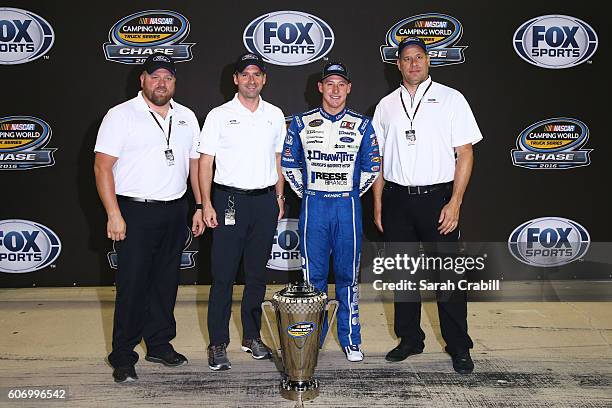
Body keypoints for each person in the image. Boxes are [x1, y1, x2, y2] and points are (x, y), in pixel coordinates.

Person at [372, 37, 482, 374]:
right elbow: (376, 158)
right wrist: (378, 202)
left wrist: (455, 202)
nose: (413, 64)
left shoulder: (452, 99)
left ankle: (459, 346)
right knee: (403, 275)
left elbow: (465, 152)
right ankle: (409, 339)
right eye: (407, 59)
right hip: (396, 199)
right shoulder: (385, 105)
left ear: (428, 60)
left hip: (438, 199)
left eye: (419, 57)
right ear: (398, 64)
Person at [94, 53, 204, 383]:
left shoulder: (186, 116)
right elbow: (102, 167)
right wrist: (114, 213)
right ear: (142, 79)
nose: (161, 83)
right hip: (134, 210)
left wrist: (199, 205)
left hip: (174, 210)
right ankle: (123, 355)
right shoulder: (121, 115)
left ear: (174, 82)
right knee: (132, 286)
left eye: (167, 78)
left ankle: (158, 344)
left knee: (165, 283)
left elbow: (196, 164)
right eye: (154, 77)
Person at [282, 62, 380, 362]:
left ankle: (351, 339)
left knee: (348, 276)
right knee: (314, 279)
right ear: (320, 87)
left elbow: (372, 167)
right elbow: (289, 164)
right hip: (315, 205)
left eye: (341, 84)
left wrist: (347, 191)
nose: (335, 89)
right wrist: (309, 192)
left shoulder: (363, 124)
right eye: (330, 83)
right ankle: (313, 340)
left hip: (347, 206)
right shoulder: (300, 123)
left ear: (349, 88)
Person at [198, 52, 286, 371]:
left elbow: (277, 160)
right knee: (222, 277)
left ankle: (251, 337)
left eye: (257, 74)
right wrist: (205, 203)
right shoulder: (219, 115)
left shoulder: (275, 115)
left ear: (264, 79)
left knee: (257, 276)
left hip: (263, 202)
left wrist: (278, 196)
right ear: (235, 79)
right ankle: (218, 342)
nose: (251, 80)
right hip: (229, 201)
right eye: (245, 74)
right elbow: (205, 162)